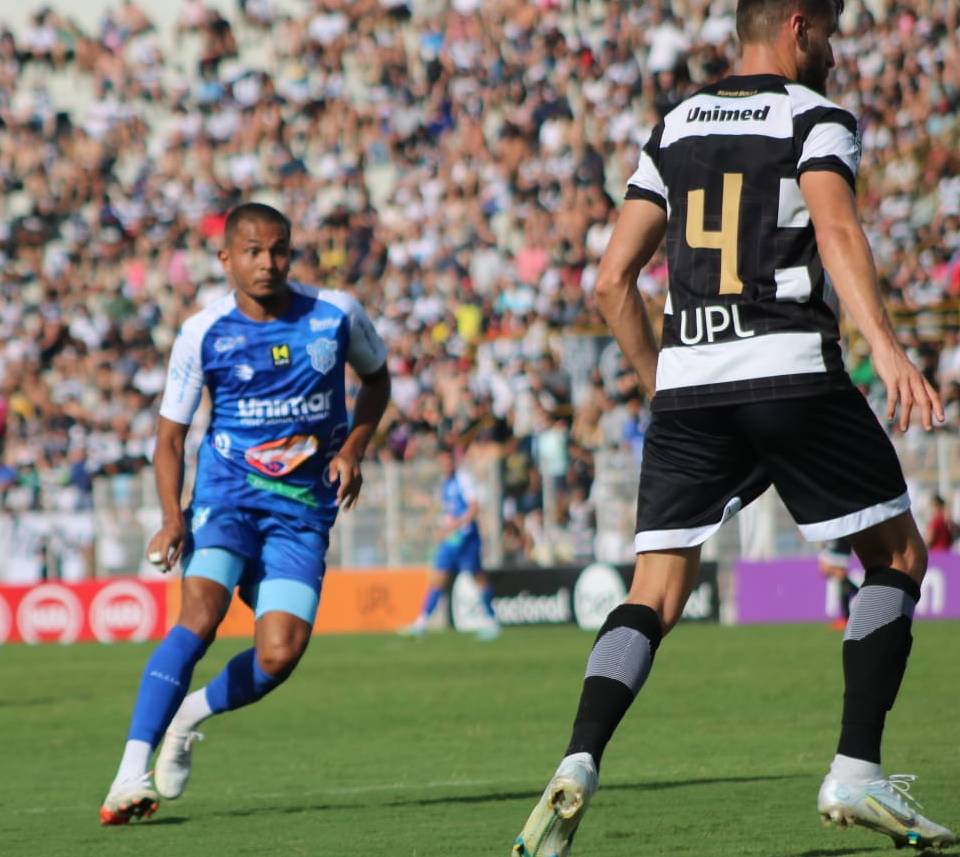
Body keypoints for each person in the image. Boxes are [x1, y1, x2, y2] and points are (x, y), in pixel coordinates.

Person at [511, 0, 956, 853]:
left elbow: (611, 281)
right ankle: (856, 771)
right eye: (827, 32)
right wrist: (890, 351)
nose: (833, 48)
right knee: (897, 555)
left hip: (690, 387)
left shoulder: (675, 123)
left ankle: (578, 759)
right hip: (788, 369)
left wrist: (663, 383)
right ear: (797, 27)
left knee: (654, 593)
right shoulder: (817, 117)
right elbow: (835, 229)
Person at [99, 203, 391, 824]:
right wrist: (173, 517)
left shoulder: (336, 314)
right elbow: (169, 438)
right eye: (253, 252)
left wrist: (353, 448)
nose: (268, 262)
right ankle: (129, 773)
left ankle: (189, 715)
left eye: (279, 249)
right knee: (198, 619)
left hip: (302, 513)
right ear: (227, 259)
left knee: (280, 653)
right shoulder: (202, 331)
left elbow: (378, 382)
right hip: (226, 500)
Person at [402, 446, 500, 639]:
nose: (445, 464)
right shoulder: (444, 483)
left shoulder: (463, 479)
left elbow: (474, 508)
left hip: (467, 537)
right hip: (451, 540)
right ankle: (421, 622)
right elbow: (446, 510)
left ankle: (491, 620)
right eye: (442, 461)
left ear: (453, 461)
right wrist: (441, 527)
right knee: (437, 577)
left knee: (477, 577)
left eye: (448, 461)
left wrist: (457, 523)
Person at [818, 537, 858, 630]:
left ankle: (846, 618)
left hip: (840, 544)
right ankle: (846, 617)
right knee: (840, 578)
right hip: (835, 542)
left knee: (838, 575)